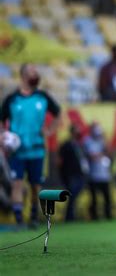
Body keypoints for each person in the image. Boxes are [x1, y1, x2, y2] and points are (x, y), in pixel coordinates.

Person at [0, 64, 61, 229]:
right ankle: (19, 220)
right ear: (23, 76)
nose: (36, 75)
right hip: (18, 151)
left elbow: (57, 114)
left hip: (37, 149)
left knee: (35, 186)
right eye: (32, 72)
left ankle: (34, 217)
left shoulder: (42, 97)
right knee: (17, 184)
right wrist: (3, 136)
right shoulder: (12, 99)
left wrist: (49, 130)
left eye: (36, 72)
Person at [58, 125, 89, 221]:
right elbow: (60, 161)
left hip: (80, 173)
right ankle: (69, 217)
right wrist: (63, 174)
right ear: (72, 133)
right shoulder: (66, 145)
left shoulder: (80, 145)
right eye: (76, 131)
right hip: (71, 174)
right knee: (72, 195)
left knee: (74, 195)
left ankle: (71, 215)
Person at [83, 122, 112, 220]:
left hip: (105, 175)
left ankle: (108, 217)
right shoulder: (88, 141)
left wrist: (104, 141)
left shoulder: (102, 141)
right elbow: (92, 156)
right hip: (93, 176)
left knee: (107, 198)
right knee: (94, 199)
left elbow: (109, 152)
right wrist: (101, 154)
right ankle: (94, 217)